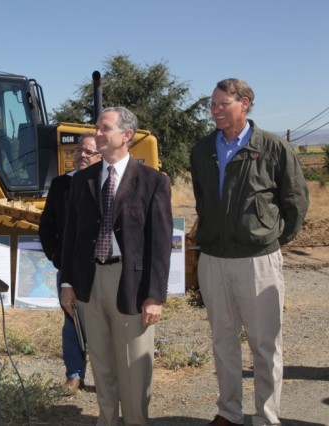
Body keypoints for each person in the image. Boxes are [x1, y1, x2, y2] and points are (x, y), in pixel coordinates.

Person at [190, 78, 309, 426]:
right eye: (212, 104)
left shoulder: (272, 147)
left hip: (258, 261)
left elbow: (295, 201)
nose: (215, 110)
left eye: (222, 103)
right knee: (222, 341)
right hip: (213, 259)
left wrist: (267, 238)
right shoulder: (202, 150)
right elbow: (202, 198)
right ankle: (229, 412)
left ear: (245, 104)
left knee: (265, 345)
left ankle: (266, 416)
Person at [60, 107, 173, 425]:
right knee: (102, 362)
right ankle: (106, 420)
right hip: (90, 283)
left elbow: (161, 244)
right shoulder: (82, 181)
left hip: (131, 285)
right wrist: (67, 283)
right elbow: (72, 237)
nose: (98, 133)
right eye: (97, 128)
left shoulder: (153, 182)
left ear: (126, 135)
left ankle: (136, 420)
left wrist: (155, 295)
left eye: (104, 128)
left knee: (134, 367)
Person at [39, 134, 102, 395]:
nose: (82, 155)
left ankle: (106, 376)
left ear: (101, 156)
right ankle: (75, 375)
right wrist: (57, 256)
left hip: (101, 266)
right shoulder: (60, 184)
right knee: (71, 321)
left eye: (89, 152)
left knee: (102, 322)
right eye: (79, 151)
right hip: (69, 268)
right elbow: (47, 226)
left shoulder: (106, 183)